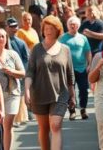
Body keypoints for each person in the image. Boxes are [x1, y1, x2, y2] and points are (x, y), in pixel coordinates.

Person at [25, 15, 75, 150]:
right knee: (44, 128)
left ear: (57, 30)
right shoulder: (36, 49)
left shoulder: (65, 49)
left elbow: (70, 74)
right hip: (40, 93)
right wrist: (27, 91)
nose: (48, 31)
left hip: (60, 94)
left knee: (56, 125)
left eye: (51, 28)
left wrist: (73, 95)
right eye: (46, 28)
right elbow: (30, 72)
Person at [0, 28, 26, 150]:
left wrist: (12, 71)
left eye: (3, 36)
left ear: (6, 40)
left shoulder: (12, 54)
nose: (1, 39)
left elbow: (23, 73)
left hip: (12, 93)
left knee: (7, 124)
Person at [59, 16, 92, 121]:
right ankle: (72, 111)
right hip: (68, 69)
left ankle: (83, 109)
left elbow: (88, 51)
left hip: (82, 68)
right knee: (69, 91)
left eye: (75, 24)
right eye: (71, 24)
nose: (73, 26)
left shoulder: (83, 38)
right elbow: (58, 52)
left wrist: (89, 64)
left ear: (78, 25)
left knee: (83, 90)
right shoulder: (63, 38)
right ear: (68, 26)